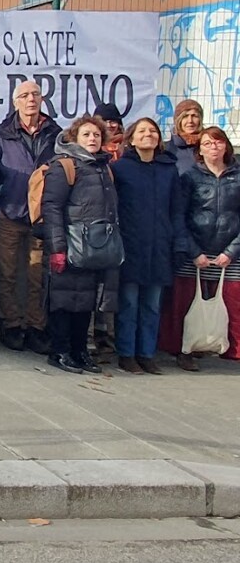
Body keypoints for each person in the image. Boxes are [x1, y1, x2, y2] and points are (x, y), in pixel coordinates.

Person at [40, 116, 120, 374]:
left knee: (85, 301)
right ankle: (60, 350)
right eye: (86, 135)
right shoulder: (64, 166)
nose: (92, 139)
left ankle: (79, 350)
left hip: (95, 247)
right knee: (63, 299)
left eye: (96, 135)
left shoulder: (104, 168)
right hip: (71, 243)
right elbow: (51, 207)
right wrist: (57, 248)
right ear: (74, 138)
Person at [0, 80, 61, 354]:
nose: (31, 100)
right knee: (7, 273)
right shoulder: (1, 134)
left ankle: (35, 327)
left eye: (36, 95)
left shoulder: (55, 134)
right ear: (15, 101)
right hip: (10, 212)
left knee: (37, 275)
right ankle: (11, 325)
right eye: (25, 96)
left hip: (41, 218)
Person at [159, 126, 240, 371]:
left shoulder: (238, 175)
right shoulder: (189, 177)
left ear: (226, 146)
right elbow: (179, 217)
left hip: (229, 252)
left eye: (217, 142)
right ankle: (185, 351)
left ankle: (230, 352)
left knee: (233, 305)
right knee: (185, 303)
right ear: (199, 150)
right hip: (195, 252)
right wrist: (193, 251)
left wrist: (232, 251)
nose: (213, 147)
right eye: (207, 143)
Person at [111, 117, 183, 374]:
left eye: (152, 131)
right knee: (129, 302)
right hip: (131, 244)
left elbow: (177, 209)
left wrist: (176, 239)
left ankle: (147, 353)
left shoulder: (168, 170)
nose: (148, 135)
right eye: (142, 131)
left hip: (160, 246)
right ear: (131, 138)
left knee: (152, 304)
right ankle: (127, 353)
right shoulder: (120, 169)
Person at [89, 102, 125, 360]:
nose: (111, 125)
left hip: (121, 228)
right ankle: (90, 339)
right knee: (92, 287)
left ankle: (108, 340)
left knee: (111, 289)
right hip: (93, 230)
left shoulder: (129, 152)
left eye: (114, 121)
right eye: (105, 122)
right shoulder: (89, 156)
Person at [165, 99, 204, 174]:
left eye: (194, 116)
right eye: (185, 116)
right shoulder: (167, 149)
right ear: (178, 120)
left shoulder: (209, 145)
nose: (190, 121)